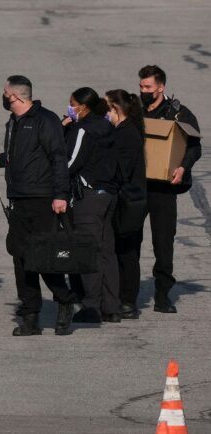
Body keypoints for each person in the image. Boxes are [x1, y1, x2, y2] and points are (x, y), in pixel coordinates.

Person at [0, 75, 75, 336]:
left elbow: (58, 158)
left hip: (42, 199)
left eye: (6, 93)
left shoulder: (45, 120)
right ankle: (30, 316)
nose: (4, 96)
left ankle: (64, 300)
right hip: (18, 199)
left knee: (42, 258)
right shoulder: (14, 122)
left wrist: (61, 194)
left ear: (14, 97)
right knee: (20, 257)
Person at [138, 65, 202, 313]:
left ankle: (163, 294)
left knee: (163, 243)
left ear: (161, 87)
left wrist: (183, 167)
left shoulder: (178, 113)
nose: (144, 91)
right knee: (129, 237)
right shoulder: (135, 112)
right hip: (137, 187)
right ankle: (127, 294)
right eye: (141, 86)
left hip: (163, 189)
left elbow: (194, 146)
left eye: (148, 87)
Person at [64, 87, 120, 323]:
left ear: (83, 107)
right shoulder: (106, 126)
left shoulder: (83, 129)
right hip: (109, 193)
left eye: (72, 103)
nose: (70, 107)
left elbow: (70, 163)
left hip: (89, 196)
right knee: (107, 251)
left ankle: (91, 306)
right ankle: (111, 307)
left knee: (89, 250)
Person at [105, 89, 146, 319]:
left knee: (127, 251)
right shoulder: (123, 130)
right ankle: (122, 296)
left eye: (107, 107)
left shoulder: (126, 133)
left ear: (116, 109)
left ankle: (128, 300)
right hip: (128, 198)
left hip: (129, 200)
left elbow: (122, 168)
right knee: (122, 250)